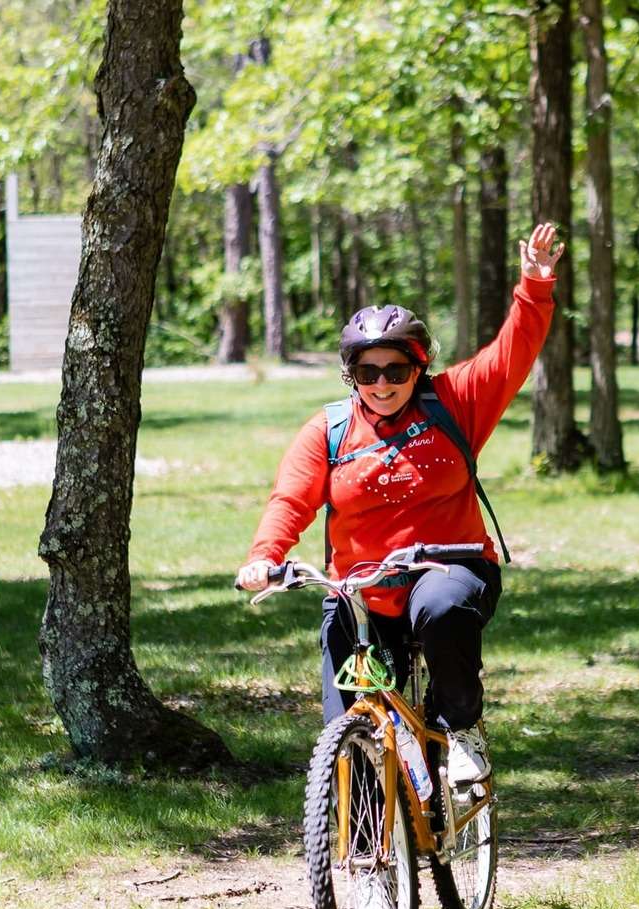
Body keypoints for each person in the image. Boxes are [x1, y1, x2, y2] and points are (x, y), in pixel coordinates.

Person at [237, 222, 564, 788]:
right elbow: (290, 498)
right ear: (351, 374)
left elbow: (512, 354)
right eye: (368, 372)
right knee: (350, 743)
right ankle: (366, 832)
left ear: (419, 368)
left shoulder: (454, 403)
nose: (383, 384)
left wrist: (533, 286)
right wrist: (265, 556)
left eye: (397, 370)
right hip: (361, 591)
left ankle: (460, 728)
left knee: (440, 608)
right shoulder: (329, 431)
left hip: (450, 569)